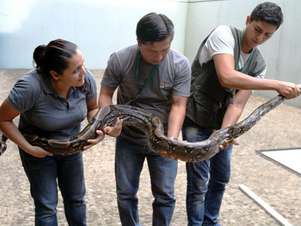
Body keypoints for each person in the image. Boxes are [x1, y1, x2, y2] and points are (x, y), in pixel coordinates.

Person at [182, 2, 300, 226]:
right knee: (198, 181)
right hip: (197, 118)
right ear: (248, 20)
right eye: (257, 29)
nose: (260, 37)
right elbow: (227, 76)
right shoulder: (223, 34)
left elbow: (237, 103)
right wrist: (276, 84)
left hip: (223, 124)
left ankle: (211, 221)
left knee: (220, 178)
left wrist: (224, 133)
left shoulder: (258, 63)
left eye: (268, 34)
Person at [0, 39, 118, 226]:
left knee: (76, 200)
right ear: (55, 74)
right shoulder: (29, 87)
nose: (84, 73)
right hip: (39, 151)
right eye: (76, 70)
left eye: (83, 65)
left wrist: (101, 129)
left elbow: (93, 110)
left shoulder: (85, 81)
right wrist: (29, 148)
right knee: (47, 206)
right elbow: (3, 119)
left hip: (72, 148)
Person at [99, 13, 191, 226]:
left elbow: (179, 104)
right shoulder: (120, 59)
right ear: (139, 42)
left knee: (165, 195)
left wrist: (172, 139)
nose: (159, 57)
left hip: (163, 138)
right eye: (152, 50)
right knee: (125, 193)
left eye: (165, 50)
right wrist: (110, 122)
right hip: (128, 138)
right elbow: (105, 95)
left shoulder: (180, 64)